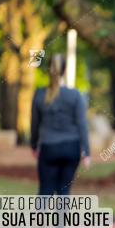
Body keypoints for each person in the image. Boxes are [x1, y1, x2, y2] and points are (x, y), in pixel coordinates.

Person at [30, 55, 91, 195]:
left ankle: (39, 217)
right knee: (64, 190)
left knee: (45, 190)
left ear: (48, 70)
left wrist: (34, 146)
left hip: (48, 148)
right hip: (71, 148)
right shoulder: (75, 95)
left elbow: (34, 123)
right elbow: (82, 124)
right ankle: (62, 217)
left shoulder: (39, 94)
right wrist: (86, 152)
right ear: (65, 71)